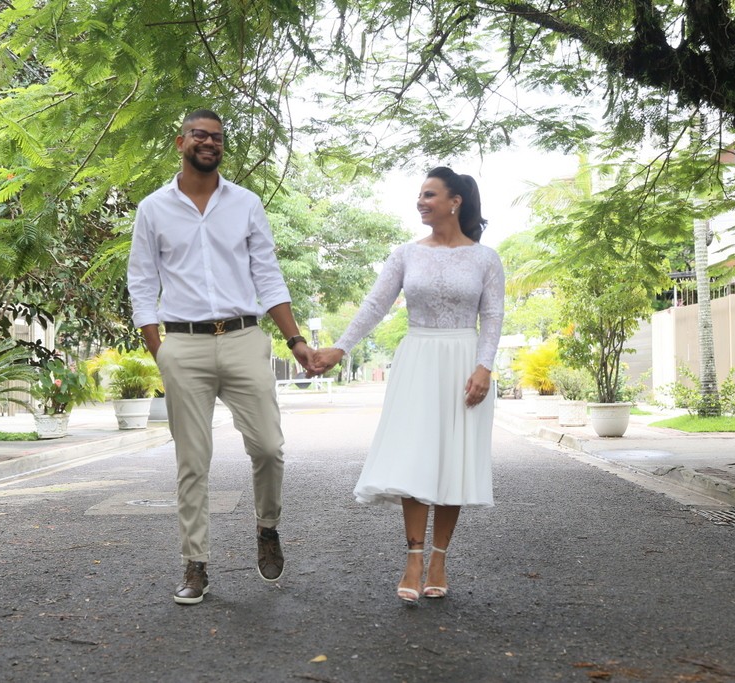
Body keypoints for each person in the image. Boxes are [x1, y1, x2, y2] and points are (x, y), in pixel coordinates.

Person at [127, 108, 315, 605]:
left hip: (243, 337)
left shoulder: (247, 204)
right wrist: (158, 349)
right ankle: (196, 564)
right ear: (180, 141)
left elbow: (268, 276)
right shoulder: (153, 208)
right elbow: (142, 282)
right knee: (193, 461)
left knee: (269, 448)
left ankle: (267, 527)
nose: (209, 142)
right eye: (199, 135)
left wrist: (295, 341)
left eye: (216, 137)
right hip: (182, 344)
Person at [313, 166, 505, 603]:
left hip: (463, 361)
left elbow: (492, 316)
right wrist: (340, 348)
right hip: (418, 359)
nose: (421, 202)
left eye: (429, 194)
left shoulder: (485, 258)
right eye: (419, 195)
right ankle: (414, 557)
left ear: (454, 201)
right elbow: (375, 304)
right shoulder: (405, 254)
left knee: (452, 461)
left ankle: (439, 558)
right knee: (416, 460)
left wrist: (484, 366)